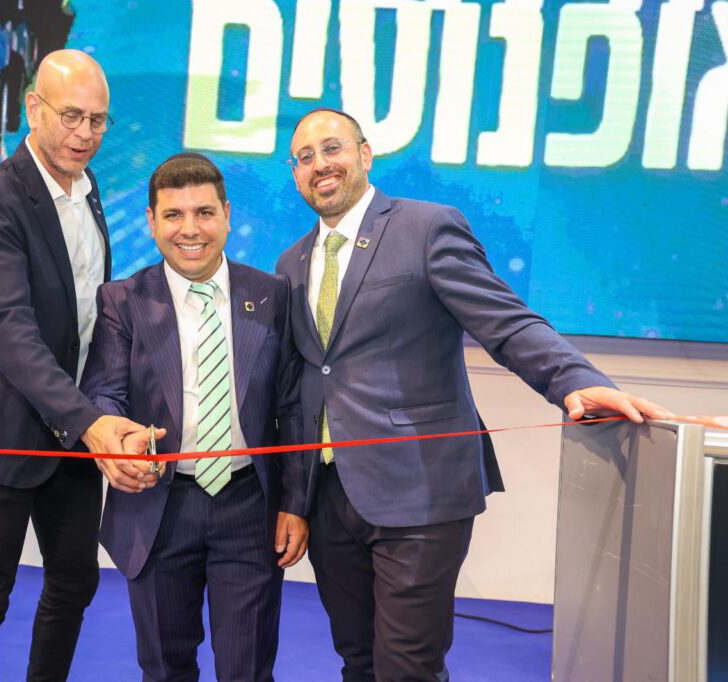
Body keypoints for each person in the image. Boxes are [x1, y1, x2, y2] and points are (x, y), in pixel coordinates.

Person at [275, 108, 672, 682]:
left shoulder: (426, 227)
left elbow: (504, 321)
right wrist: (295, 496)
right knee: (357, 661)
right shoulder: (290, 263)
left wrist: (577, 381)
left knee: (407, 668)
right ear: (295, 174)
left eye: (332, 148)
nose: (320, 164)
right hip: (330, 496)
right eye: (304, 157)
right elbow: (302, 386)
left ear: (364, 154)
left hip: (421, 487)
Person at [0, 49, 157, 682]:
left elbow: (90, 321)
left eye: (97, 120)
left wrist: (108, 412)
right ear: (33, 109)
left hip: (75, 438)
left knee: (74, 582)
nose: (84, 133)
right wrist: (90, 422)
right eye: (71, 116)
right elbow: (9, 331)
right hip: (11, 432)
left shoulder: (89, 194)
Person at [81, 153, 309, 682]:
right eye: (174, 215)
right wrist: (118, 439)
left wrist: (296, 503)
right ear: (151, 221)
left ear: (226, 215)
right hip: (157, 506)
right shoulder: (122, 300)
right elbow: (105, 392)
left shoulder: (272, 294)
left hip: (249, 507)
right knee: (165, 668)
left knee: (247, 670)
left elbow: (293, 406)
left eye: (204, 213)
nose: (190, 230)